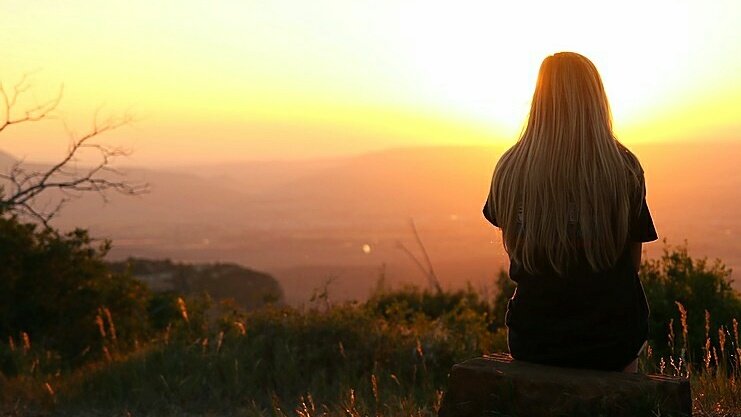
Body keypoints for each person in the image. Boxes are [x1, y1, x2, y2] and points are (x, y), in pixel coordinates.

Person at [482, 52, 658, 373]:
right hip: (611, 341)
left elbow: (516, 249)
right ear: (596, 100)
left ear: (539, 99)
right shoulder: (624, 168)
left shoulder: (509, 168)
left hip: (534, 339)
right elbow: (632, 265)